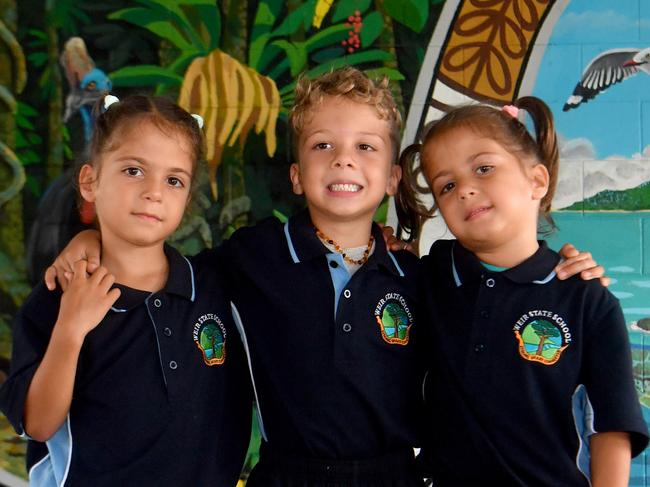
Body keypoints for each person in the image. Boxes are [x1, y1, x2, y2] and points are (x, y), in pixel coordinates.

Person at [44, 71, 605, 486]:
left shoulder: (420, 273)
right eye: (322, 146)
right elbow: (157, 262)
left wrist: (564, 271)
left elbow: (503, 279)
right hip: (286, 475)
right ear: (295, 174)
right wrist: (90, 238)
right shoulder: (254, 256)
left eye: (364, 147)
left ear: (389, 178)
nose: (343, 160)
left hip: (396, 479)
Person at [396, 97, 649, 486]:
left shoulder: (587, 300)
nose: (464, 190)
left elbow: (611, 428)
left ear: (537, 181)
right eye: (446, 185)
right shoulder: (429, 279)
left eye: (483, 168)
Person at [0, 95, 251, 486]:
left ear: (186, 198)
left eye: (174, 180)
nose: (154, 192)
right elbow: (38, 424)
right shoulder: (58, 295)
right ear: (90, 181)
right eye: (134, 170)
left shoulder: (214, 285)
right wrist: (71, 327)